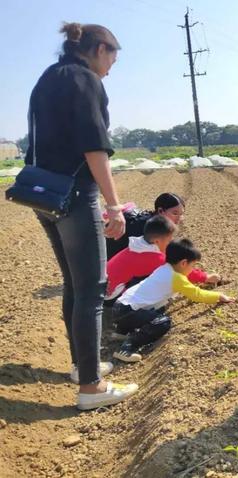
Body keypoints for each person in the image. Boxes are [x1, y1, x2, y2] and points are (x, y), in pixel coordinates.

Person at [25, 22, 137, 410]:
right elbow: (94, 148)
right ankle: (90, 388)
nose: (112, 66)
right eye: (113, 57)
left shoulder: (48, 78)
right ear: (99, 48)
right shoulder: (86, 80)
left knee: (74, 283)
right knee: (92, 287)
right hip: (75, 193)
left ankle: (80, 366)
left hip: (44, 194)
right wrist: (113, 205)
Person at [111, 239, 235, 362]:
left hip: (120, 306)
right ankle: (128, 347)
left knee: (156, 309)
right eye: (193, 266)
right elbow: (197, 294)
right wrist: (218, 296)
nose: (193, 269)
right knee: (163, 322)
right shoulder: (177, 278)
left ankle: (122, 331)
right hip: (128, 312)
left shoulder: (164, 268)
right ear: (184, 263)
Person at [105, 215, 177, 300]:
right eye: (169, 241)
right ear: (157, 241)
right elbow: (177, 269)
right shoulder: (155, 258)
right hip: (109, 295)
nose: (170, 243)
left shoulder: (138, 245)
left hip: (100, 285)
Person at [105, 192, 186, 259]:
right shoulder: (150, 229)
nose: (179, 218)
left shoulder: (153, 222)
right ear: (161, 211)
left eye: (181, 214)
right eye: (175, 213)